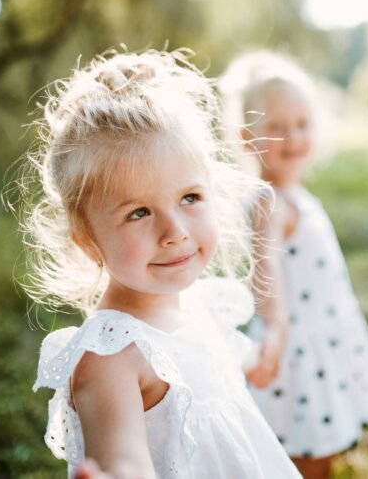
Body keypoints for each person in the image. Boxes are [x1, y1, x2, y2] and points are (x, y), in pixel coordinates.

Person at [20, 49, 301, 478]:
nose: (175, 232)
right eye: (138, 213)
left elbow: (208, 388)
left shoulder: (194, 303)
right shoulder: (110, 356)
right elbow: (124, 456)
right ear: (88, 241)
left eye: (189, 198)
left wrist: (254, 361)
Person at [221, 50, 368, 479]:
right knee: (305, 448)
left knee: (318, 445)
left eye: (301, 124)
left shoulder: (295, 194)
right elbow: (267, 274)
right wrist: (276, 328)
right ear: (247, 138)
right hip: (297, 347)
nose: (292, 137)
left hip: (323, 336)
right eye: (276, 127)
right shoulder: (269, 202)